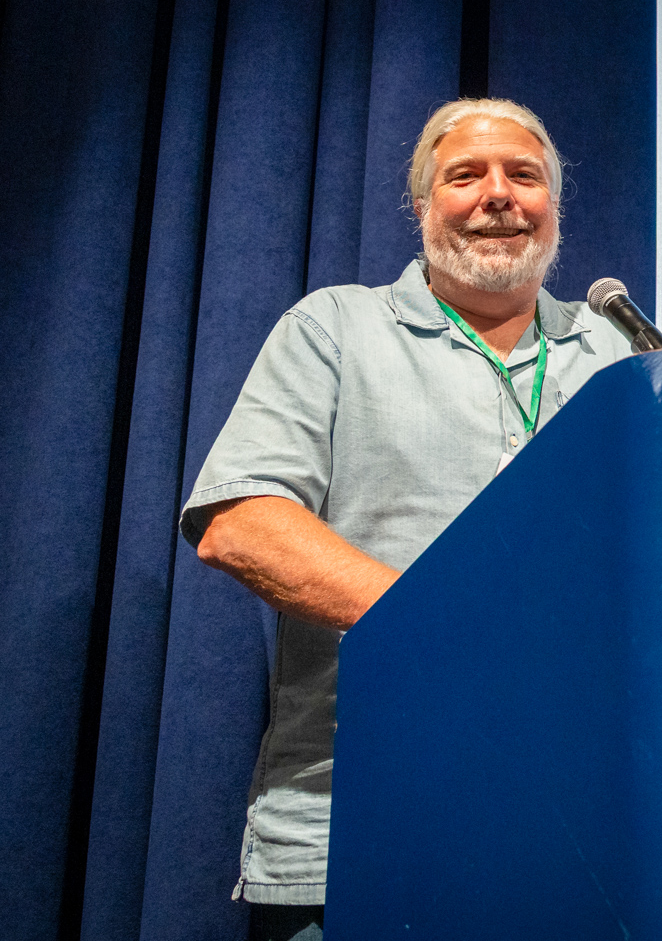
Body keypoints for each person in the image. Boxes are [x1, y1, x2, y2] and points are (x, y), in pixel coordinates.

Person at [179, 98, 632, 940]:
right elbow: (239, 522)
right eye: (466, 175)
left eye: (524, 176)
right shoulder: (336, 329)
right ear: (423, 205)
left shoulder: (619, 355)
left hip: (586, 830)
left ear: (555, 209)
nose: (499, 194)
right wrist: (451, 623)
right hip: (360, 833)